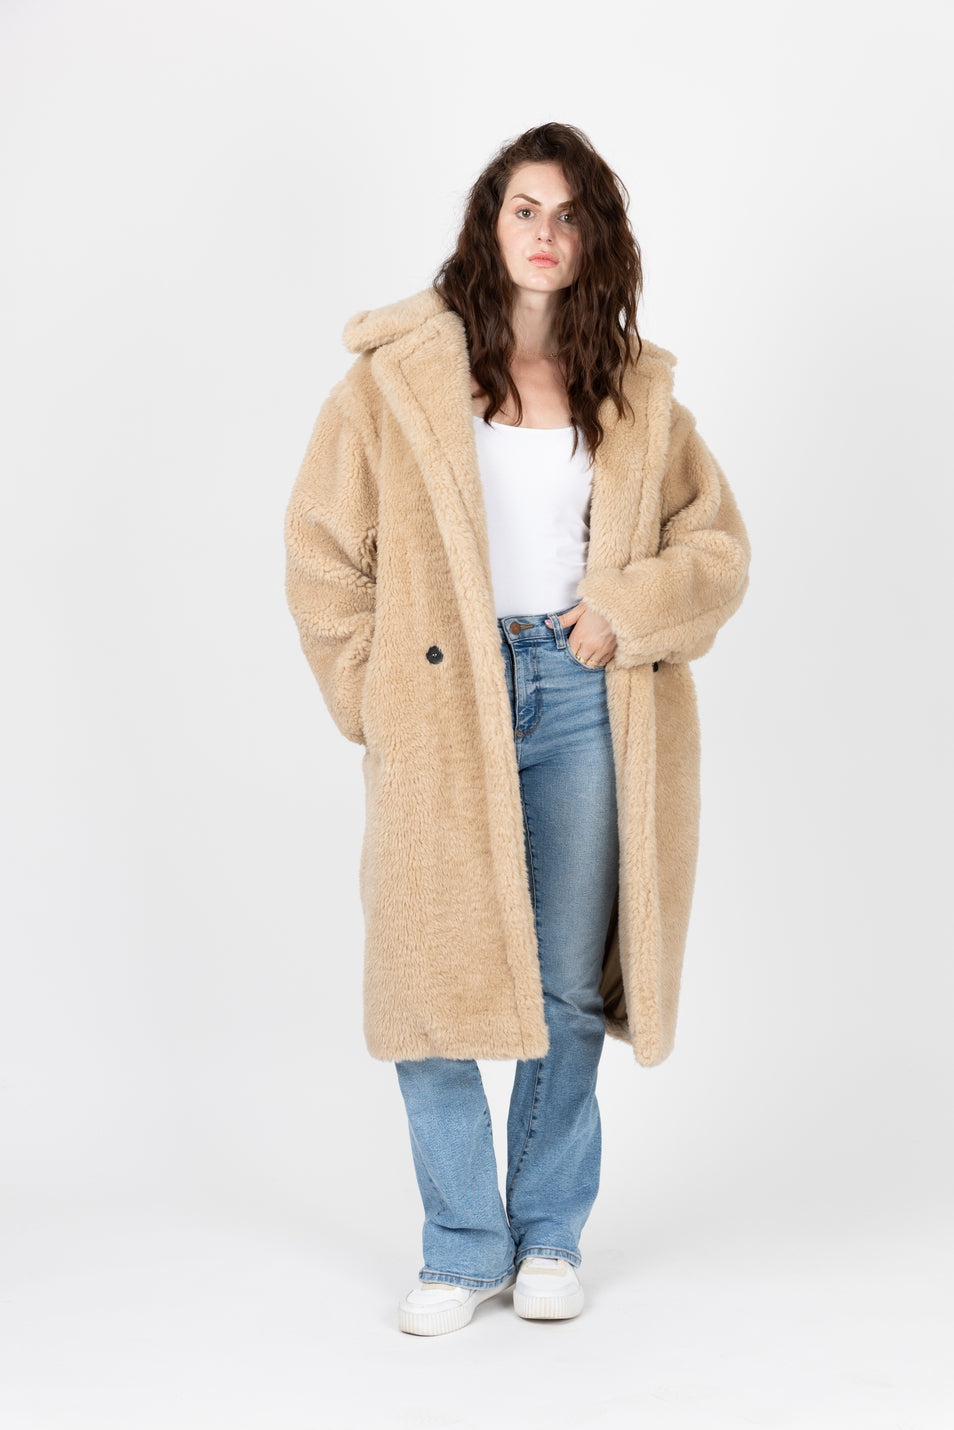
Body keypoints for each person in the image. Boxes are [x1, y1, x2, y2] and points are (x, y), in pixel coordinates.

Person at [283, 122, 751, 1337]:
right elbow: (323, 552)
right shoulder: (395, 380)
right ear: (489, 225)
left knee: (564, 985)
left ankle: (547, 1233)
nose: (545, 234)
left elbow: (715, 546)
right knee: (424, 980)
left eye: (569, 214)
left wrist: (625, 610)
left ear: (596, 239)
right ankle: (459, 1244)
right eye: (524, 209)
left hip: (582, 688)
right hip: (444, 699)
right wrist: (375, 696)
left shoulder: (633, 391)